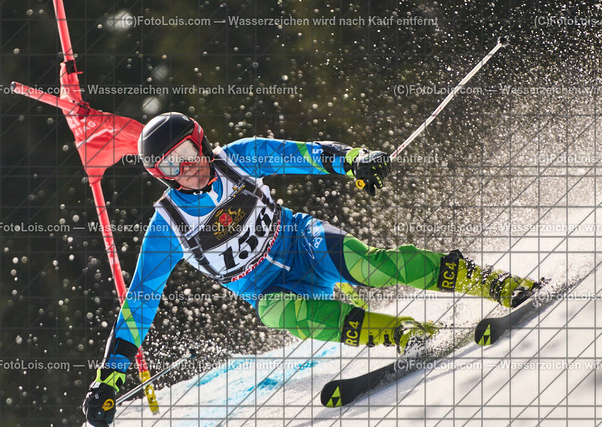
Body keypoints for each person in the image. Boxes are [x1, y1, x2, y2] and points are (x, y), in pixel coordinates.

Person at [83, 112, 539, 425]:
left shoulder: (238, 158)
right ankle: (401, 334)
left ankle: (495, 283)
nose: (185, 169)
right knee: (273, 313)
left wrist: (354, 161)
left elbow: (303, 154)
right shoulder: (168, 226)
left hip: (304, 243)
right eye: (170, 166)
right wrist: (110, 379)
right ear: (161, 176)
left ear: (199, 142)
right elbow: (140, 301)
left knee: (371, 267)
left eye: (186, 153)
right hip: (271, 290)